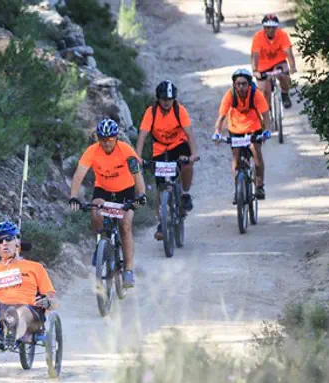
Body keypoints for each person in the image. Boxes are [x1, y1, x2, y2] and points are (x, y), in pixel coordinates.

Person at [68, 118, 147, 289]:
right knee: (96, 211)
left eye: (109, 139)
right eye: (102, 139)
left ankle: (128, 270)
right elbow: (78, 175)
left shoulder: (126, 150)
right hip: (103, 190)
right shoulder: (92, 151)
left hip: (125, 191)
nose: (106, 143)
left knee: (125, 225)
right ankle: (101, 243)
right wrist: (74, 196)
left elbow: (137, 174)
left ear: (116, 137)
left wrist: (141, 195)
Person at [0, 220, 58, 364]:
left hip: (28, 310)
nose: (4, 243)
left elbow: (53, 302)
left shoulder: (35, 267)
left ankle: (12, 330)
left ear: (17, 242)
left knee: (21, 312)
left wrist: (47, 301)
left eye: (8, 239)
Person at [136, 80, 200, 241]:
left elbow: (189, 132)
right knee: (161, 188)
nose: (166, 102)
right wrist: (137, 156)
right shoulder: (151, 112)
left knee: (186, 164)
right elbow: (143, 134)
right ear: (158, 99)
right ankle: (162, 222)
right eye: (164, 99)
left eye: (170, 99)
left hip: (178, 145)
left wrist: (194, 153)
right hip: (160, 149)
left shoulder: (180, 110)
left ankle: (185, 193)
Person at [212, 69, 271, 200]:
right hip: (235, 129)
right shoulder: (230, 95)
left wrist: (266, 130)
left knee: (256, 152)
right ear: (234, 84)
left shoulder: (256, 94)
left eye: (244, 84)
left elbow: (266, 115)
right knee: (236, 157)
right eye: (238, 84)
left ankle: (260, 185)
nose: (241, 87)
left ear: (249, 84)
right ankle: (237, 189)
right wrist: (217, 132)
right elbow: (221, 117)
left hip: (253, 128)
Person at [251, 14, 298, 110]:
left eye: (273, 27)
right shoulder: (258, 37)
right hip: (262, 66)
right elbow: (255, 55)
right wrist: (255, 70)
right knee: (264, 91)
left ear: (276, 27)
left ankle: (285, 94)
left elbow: (288, 52)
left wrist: (292, 67)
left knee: (284, 76)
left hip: (279, 62)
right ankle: (267, 112)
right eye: (268, 27)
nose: (271, 30)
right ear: (264, 27)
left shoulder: (282, 35)